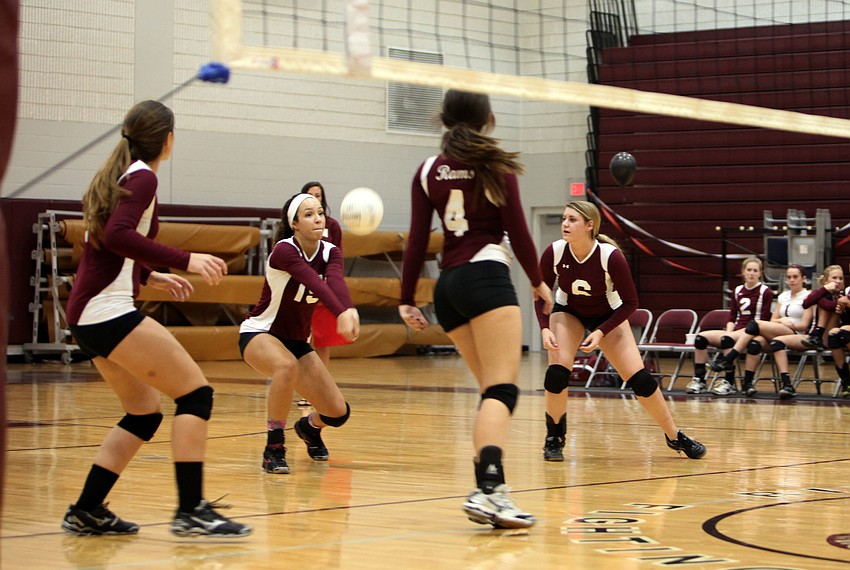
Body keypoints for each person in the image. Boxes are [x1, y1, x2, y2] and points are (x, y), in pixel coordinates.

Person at [62, 101, 251, 537]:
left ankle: (87, 509)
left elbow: (109, 248)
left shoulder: (122, 177)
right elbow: (117, 236)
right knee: (195, 395)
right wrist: (187, 259)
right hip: (107, 313)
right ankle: (191, 511)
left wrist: (153, 275)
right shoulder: (143, 177)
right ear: (168, 139)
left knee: (143, 413)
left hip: (89, 314)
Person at [398, 90, 553, 529]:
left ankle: (494, 492)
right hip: (486, 279)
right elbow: (519, 233)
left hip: (449, 287)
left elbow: (415, 240)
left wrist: (406, 298)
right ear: (489, 118)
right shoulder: (494, 165)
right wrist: (539, 284)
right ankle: (486, 490)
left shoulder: (428, 170)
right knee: (503, 391)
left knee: (491, 394)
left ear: (444, 118)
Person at [536, 201, 706, 464]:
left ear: (589, 225)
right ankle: (554, 437)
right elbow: (542, 294)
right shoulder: (555, 252)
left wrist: (601, 332)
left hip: (608, 314)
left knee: (641, 381)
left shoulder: (609, 256)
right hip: (567, 309)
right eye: (564, 219)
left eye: (572, 220)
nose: (565, 224)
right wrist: (545, 328)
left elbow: (631, 303)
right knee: (557, 373)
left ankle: (675, 436)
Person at [240, 193, 359, 475]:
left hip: (296, 341)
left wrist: (348, 307)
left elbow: (336, 282)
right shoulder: (284, 250)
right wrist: (339, 312)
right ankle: (274, 448)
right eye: (308, 214)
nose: (317, 218)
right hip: (260, 333)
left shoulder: (331, 251)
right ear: (293, 223)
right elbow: (313, 282)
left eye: (319, 212)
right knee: (285, 367)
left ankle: (308, 427)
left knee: (338, 413)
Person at [707, 264, 812, 397]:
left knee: (755, 324)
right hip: (778, 330)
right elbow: (773, 320)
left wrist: (790, 324)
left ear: (803, 278)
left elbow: (804, 325)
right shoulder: (783, 296)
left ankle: (728, 358)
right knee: (754, 344)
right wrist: (781, 321)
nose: (791, 280)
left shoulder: (809, 296)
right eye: (789, 277)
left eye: (795, 277)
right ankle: (748, 384)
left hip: (797, 333)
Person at [295, 181, 349, 407]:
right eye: (310, 195)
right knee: (301, 340)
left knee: (322, 341)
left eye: (319, 196)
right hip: (301, 290)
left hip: (323, 290)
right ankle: (304, 389)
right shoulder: (294, 230)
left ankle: (320, 388)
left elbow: (337, 256)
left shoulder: (332, 226)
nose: (315, 198)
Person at [686, 257, 773, 396]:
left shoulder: (765, 291)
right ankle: (700, 380)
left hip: (755, 331)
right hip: (737, 330)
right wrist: (729, 331)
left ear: (760, 273)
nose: (751, 273)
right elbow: (732, 317)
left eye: (755, 271)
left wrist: (732, 336)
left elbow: (763, 320)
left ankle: (729, 382)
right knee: (700, 338)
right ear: (743, 272)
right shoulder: (737, 290)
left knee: (729, 340)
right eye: (749, 270)